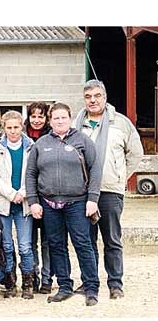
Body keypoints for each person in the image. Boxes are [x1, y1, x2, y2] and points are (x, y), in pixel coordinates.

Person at [73, 79, 143, 299]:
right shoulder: (77, 124)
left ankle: (115, 283)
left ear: (104, 97)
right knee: (87, 239)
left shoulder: (120, 123)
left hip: (110, 190)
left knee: (112, 238)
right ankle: (89, 282)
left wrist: (120, 177)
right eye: (88, 97)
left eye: (97, 96)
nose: (92, 100)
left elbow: (135, 153)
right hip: (82, 192)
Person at [26, 102, 101, 306]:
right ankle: (65, 286)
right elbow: (31, 174)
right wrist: (33, 201)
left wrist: (92, 199)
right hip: (49, 204)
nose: (60, 121)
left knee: (83, 244)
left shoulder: (82, 140)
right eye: (56, 118)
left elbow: (95, 170)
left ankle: (91, 287)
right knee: (56, 246)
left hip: (77, 202)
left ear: (70, 119)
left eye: (63, 117)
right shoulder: (41, 144)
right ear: (50, 121)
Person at [0, 110, 35, 299]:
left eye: (16, 127)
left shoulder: (31, 147)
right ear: (4, 128)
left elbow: (35, 173)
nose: (13, 131)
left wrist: (23, 192)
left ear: (22, 126)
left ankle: (28, 282)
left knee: (25, 246)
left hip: (24, 203)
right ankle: (10, 281)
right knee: (6, 245)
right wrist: (11, 193)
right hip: (3, 203)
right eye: (9, 127)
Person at [24, 101, 52, 293]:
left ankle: (48, 278)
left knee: (48, 242)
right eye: (33, 116)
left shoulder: (52, 137)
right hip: (28, 197)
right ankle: (32, 276)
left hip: (48, 196)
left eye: (40, 116)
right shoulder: (23, 138)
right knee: (30, 241)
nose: (36, 120)